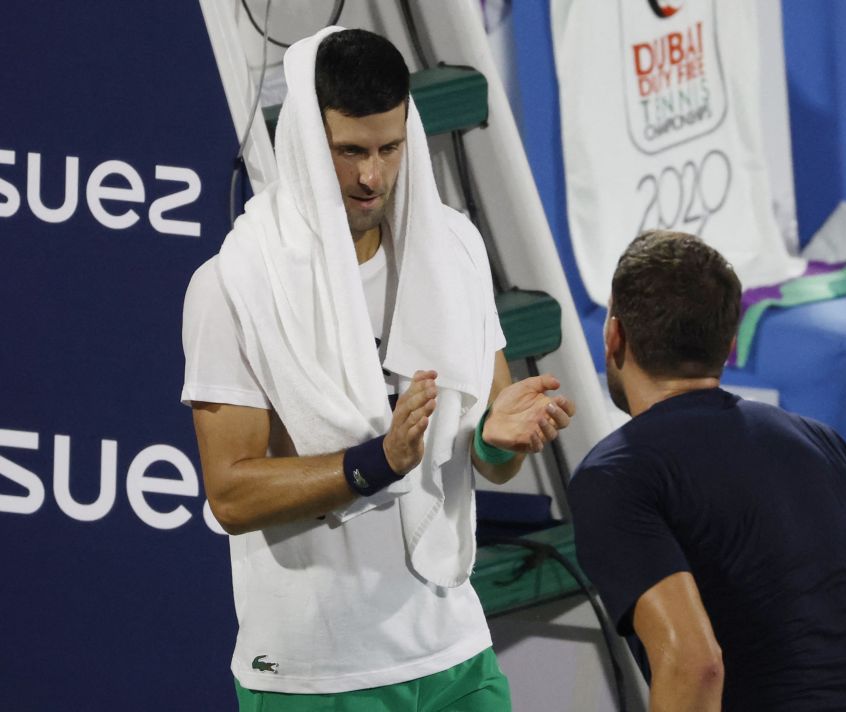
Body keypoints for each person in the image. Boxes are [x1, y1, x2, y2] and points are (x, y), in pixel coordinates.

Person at [182, 27, 574, 711]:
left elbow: (488, 459)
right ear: (307, 140)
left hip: (454, 649)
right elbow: (231, 493)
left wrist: (495, 440)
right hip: (318, 673)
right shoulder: (234, 285)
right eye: (350, 152)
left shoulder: (454, 251)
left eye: (390, 148)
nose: (373, 176)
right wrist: (374, 463)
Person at [568, 230, 846, 711]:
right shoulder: (818, 442)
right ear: (731, 343)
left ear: (614, 337)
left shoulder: (614, 475)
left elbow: (695, 664)